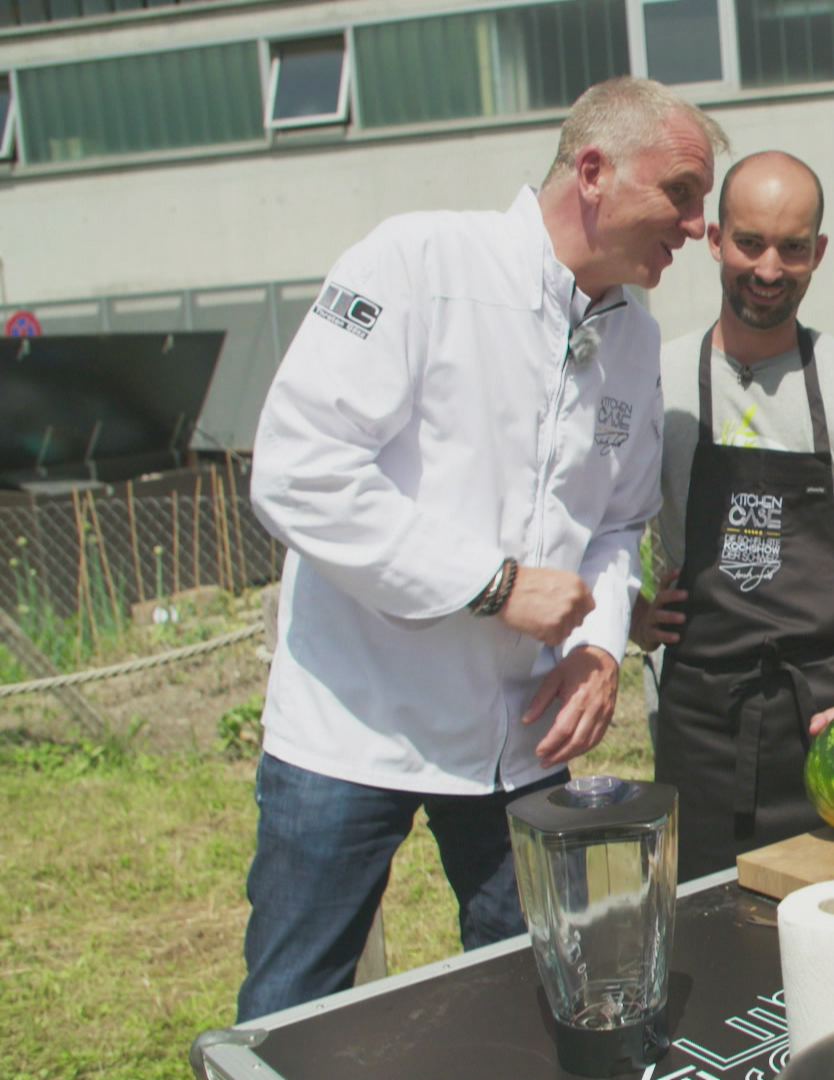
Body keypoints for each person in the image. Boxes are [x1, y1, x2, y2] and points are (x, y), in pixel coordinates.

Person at [239, 78, 726, 1021]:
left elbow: (619, 523)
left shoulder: (632, 334)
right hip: (354, 726)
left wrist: (597, 646)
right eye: (682, 193)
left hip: (520, 734)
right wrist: (494, 586)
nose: (699, 225)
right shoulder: (416, 263)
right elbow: (298, 472)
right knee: (293, 1009)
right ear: (593, 170)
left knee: (543, 991)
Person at [632, 151, 834, 879]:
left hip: (830, 712)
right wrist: (626, 615)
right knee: (705, 924)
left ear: (817, 253)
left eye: (792, 248)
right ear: (713, 239)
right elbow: (584, 515)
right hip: (701, 713)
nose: (769, 268)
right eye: (749, 243)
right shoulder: (654, 380)